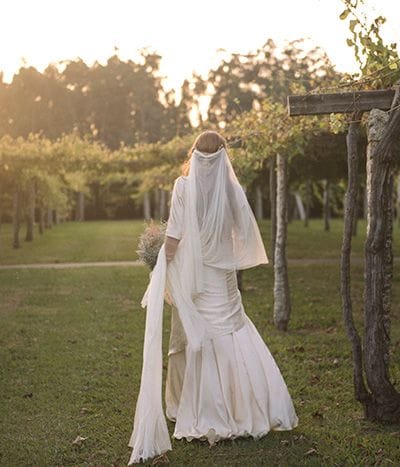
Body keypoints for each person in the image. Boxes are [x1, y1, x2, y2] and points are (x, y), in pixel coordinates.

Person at [128, 131, 298, 465]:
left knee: (203, 340)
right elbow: (241, 233)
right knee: (234, 332)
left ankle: (208, 412)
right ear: (223, 156)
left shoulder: (183, 187)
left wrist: (163, 263)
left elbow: (174, 236)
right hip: (222, 276)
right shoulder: (233, 190)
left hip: (199, 278)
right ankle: (247, 409)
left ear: (194, 154)